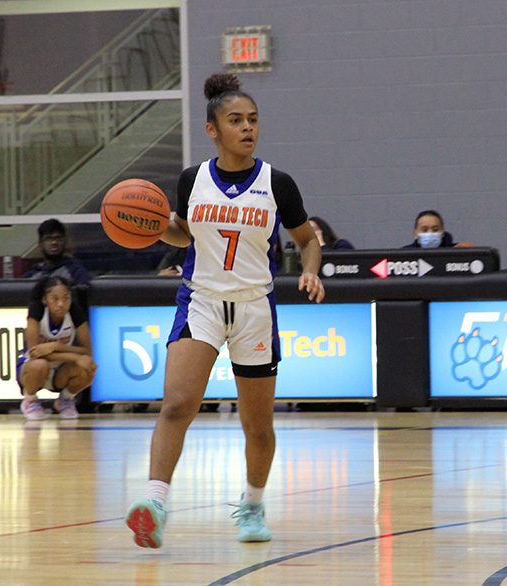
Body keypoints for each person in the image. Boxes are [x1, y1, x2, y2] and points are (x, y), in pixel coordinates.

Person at [125, 72, 325, 549]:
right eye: (235, 120)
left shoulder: (277, 182)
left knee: (257, 426)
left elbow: (306, 239)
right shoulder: (193, 180)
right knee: (176, 404)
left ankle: (252, 506)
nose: (247, 128)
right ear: (213, 129)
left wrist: (311, 269)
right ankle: (154, 503)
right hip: (202, 301)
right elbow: (184, 233)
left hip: (255, 306)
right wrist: (154, 227)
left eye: (253, 120)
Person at [16, 276, 96, 420]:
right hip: (33, 369)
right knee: (40, 364)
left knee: (88, 368)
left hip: (60, 371)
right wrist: (75, 357)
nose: (61, 304)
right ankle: (30, 400)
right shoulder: (36, 312)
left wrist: (55, 346)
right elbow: (35, 354)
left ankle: (65, 399)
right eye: (55, 299)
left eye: (66, 298)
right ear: (45, 300)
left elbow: (87, 352)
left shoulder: (75, 313)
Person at [22, 219, 93, 284]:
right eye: (48, 238)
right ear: (40, 244)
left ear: (65, 242)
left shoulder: (76, 272)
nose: (54, 242)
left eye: (58, 238)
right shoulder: (31, 275)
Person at [402, 210, 473, 248]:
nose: (430, 233)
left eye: (435, 230)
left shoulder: (456, 251)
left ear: (442, 232)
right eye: (424, 230)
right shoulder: (404, 255)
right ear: (416, 233)